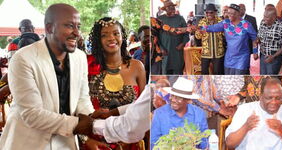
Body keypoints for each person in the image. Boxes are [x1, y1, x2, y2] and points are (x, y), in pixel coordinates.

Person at [0, 3, 96, 150]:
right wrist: (78, 124)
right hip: (28, 144)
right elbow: (32, 114)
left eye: (78, 26)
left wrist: (91, 118)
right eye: (70, 26)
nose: (77, 33)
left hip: (66, 143)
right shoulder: (23, 58)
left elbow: (82, 98)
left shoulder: (80, 57)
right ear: (50, 27)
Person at [86, 17, 146, 149]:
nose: (111, 38)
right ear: (98, 40)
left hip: (131, 143)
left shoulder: (137, 67)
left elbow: (144, 109)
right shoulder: (88, 66)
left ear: (122, 37)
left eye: (116, 33)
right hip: (97, 143)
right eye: (104, 35)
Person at [225, 78, 282, 149]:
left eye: (278, 98)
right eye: (269, 98)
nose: (273, 102)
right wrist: (246, 126)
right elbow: (229, 143)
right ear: (261, 96)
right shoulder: (245, 110)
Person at [196, 4, 258, 75]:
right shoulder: (226, 23)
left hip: (242, 57)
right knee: (229, 79)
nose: (230, 15)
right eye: (229, 13)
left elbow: (254, 38)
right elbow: (212, 28)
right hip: (229, 57)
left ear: (238, 14)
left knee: (239, 79)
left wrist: (255, 52)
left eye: (233, 13)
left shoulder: (246, 24)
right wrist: (197, 28)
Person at [150, 77, 208, 149]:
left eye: (178, 97)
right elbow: (154, 143)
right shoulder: (159, 114)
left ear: (187, 100)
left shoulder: (199, 114)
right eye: (172, 95)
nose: (173, 100)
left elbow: (204, 141)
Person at [158, 0, 189, 74]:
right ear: (165, 9)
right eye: (169, 7)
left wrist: (183, 43)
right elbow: (156, 35)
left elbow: (186, 32)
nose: (172, 8)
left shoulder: (180, 18)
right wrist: (161, 48)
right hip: (165, 51)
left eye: (173, 6)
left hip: (177, 51)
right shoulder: (160, 19)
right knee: (166, 73)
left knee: (178, 73)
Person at [195, 4, 225, 75]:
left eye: (211, 12)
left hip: (218, 53)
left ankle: (217, 86)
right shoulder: (202, 22)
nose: (209, 14)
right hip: (206, 52)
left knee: (218, 73)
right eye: (207, 12)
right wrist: (200, 32)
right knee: (204, 73)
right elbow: (197, 36)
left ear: (215, 12)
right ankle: (205, 86)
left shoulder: (220, 21)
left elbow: (225, 34)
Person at [258, 8, 282, 75]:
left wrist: (273, 56)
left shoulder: (281, 26)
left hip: (274, 58)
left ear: (274, 17)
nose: (264, 18)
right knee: (262, 76)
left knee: (271, 76)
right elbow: (259, 36)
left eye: (267, 17)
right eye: (264, 16)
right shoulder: (262, 23)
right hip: (263, 55)